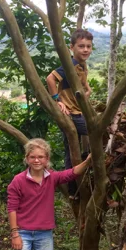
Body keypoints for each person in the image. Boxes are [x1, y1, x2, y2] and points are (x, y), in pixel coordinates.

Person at [0, 138, 92, 250]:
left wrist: (88, 161)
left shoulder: (51, 177)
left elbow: (71, 173)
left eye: (41, 157)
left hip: (43, 231)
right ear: (27, 158)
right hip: (23, 231)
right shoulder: (18, 181)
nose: (37, 160)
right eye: (32, 157)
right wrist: (14, 233)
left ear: (47, 158)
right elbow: (12, 208)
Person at [46, 28, 93, 198]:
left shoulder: (82, 66)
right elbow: (50, 79)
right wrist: (57, 100)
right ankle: (86, 163)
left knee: (71, 151)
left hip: (76, 111)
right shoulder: (70, 65)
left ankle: (74, 189)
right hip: (71, 114)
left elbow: (84, 84)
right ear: (72, 47)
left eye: (88, 46)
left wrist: (88, 90)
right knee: (96, 131)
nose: (85, 49)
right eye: (81, 46)